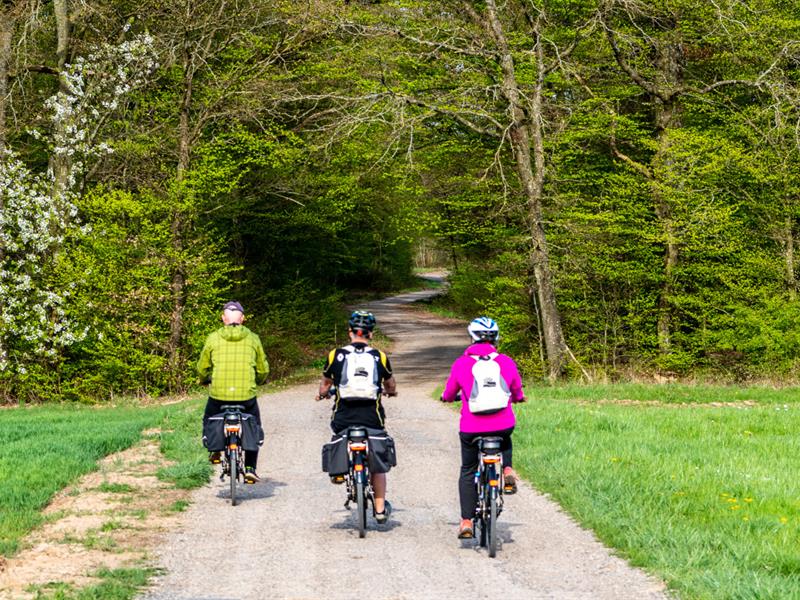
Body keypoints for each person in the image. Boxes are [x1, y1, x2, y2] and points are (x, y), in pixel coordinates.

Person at [441, 316, 525, 539]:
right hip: (502, 425)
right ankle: (507, 469)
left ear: (472, 337)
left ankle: (467, 521)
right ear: (495, 337)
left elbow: (449, 393)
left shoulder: (462, 363)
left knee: (468, 470)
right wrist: (519, 398)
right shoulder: (506, 362)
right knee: (505, 436)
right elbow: (516, 390)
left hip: (471, 427)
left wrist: (446, 398)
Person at [316, 310, 397, 523]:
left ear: (350, 332)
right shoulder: (379, 356)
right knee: (377, 465)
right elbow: (389, 383)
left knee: (339, 434)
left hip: (344, 415)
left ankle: (340, 471)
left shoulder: (336, 355)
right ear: (371, 334)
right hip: (372, 416)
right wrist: (390, 391)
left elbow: (326, 383)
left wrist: (323, 394)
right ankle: (379, 508)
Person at [198, 300, 269, 484]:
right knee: (253, 425)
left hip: (219, 395)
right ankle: (250, 468)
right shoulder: (253, 338)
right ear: (243, 319)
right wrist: (259, 380)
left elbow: (202, 367)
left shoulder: (213, 338)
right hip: (246, 396)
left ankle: (214, 450)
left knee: (209, 418)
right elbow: (263, 369)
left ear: (223, 319)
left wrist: (204, 378)